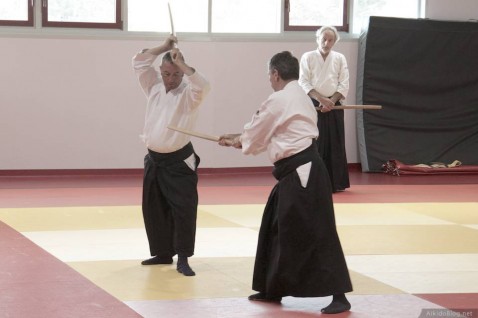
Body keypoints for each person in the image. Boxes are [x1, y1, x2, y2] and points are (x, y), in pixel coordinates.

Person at [219, 51, 352, 314]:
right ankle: (273, 287)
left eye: (269, 74)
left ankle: (340, 296)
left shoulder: (279, 99)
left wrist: (241, 140)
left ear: (276, 74)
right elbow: (271, 132)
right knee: (276, 226)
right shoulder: (300, 97)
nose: (269, 79)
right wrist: (241, 137)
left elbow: (257, 133)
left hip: (302, 174)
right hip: (300, 171)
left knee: (318, 231)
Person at [132, 35, 210, 277]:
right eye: (167, 73)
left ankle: (183, 257)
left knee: (183, 209)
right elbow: (139, 62)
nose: (171, 79)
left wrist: (183, 64)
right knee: (154, 207)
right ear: (161, 71)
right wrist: (164, 47)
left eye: (176, 74)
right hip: (154, 159)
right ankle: (163, 252)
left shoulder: (189, 95)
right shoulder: (153, 87)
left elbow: (204, 85)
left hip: (179, 161)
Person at [298, 26, 350, 193]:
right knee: (314, 143)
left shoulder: (339, 58)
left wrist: (332, 101)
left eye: (330, 40)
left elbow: (344, 82)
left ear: (335, 41)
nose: (326, 43)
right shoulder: (308, 57)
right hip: (314, 105)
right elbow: (304, 81)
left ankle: (336, 182)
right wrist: (320, 99)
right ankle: (314, 182)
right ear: (317, 38)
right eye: (324, 39)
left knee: (335, 143)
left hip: (333, 105)